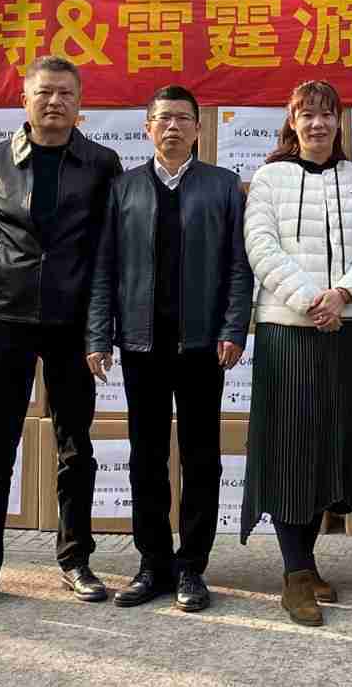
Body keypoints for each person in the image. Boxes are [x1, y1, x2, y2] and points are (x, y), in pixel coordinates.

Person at [0, 56, 123, 615]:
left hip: (73, 324)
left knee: (76, 448)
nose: (54, 102)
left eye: (65, 93)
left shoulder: (102, 163)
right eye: (44, 92)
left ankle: (75, 560)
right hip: (8, 321)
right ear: (24, 100)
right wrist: (12, 279)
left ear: (80, 102)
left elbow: (108, 245)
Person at [86, 85, 252, 613]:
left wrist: (233, 328)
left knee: (202, 459)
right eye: (163, 119)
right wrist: (98, 335)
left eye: (183, 118)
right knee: (147, 458)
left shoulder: (222, 186)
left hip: (202, 346)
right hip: (142, 345)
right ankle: (153, 563)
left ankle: (192, 567)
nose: (173, 127)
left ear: (199, 129)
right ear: (148, 128)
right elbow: (104, 268)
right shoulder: (123, 189)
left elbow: (238, 265)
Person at [240, 80, 352, 626]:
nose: (317, 123)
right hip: (287, 331)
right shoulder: (268, 179)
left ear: (339, 121)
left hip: (343, 329)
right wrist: (310, 300)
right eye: (307, 114)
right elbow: (261, 246)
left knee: (330, 443)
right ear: (292, 121)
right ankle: (295, 572)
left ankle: (307, 561)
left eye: (327, 114)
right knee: (289, 445)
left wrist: (343, 295)